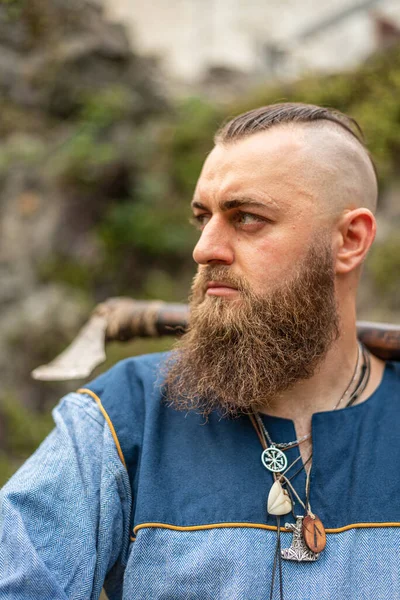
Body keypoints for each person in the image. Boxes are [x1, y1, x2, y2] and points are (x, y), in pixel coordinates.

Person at [0, 102, 399, 600]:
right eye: (202, 217)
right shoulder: (124, 416)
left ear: (349, 240)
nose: (205, 248)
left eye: (247, 217)